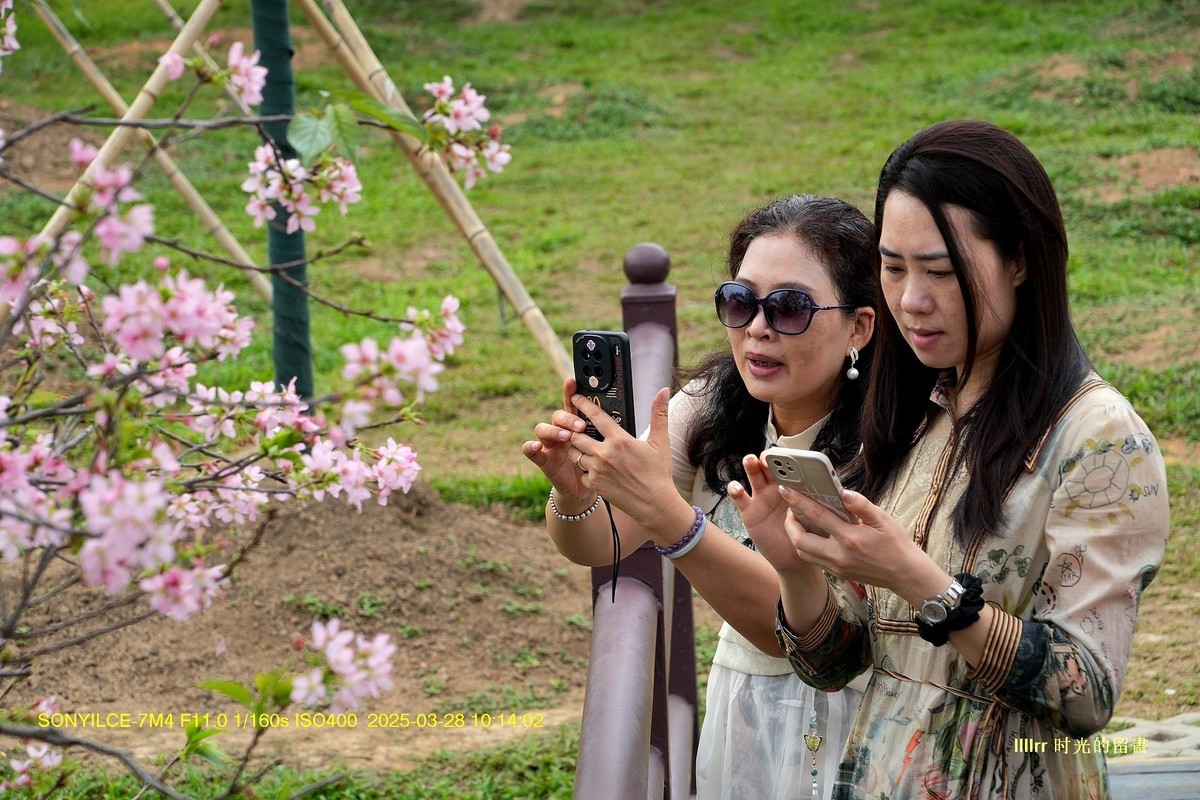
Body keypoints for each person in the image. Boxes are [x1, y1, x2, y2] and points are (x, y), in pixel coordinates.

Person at [741, 120, 1170, 799]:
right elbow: (838, 665)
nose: (911, 299)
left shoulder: (1100, 440)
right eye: (893, 266)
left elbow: (1086, 695)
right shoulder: (917, 411)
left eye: (941, 271)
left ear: (1021, 260)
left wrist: (922, 582)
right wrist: (794, 569)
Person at [522, 194, 877, 800]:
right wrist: (575, 492)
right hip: (748, 713)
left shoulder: (903, 436)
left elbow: (801, 633)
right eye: (740, 302)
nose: (758, 328)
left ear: (859, 326)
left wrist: (672, 520)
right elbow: (600, 541)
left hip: (868, 723)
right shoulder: (713, 405)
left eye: (789, 307)